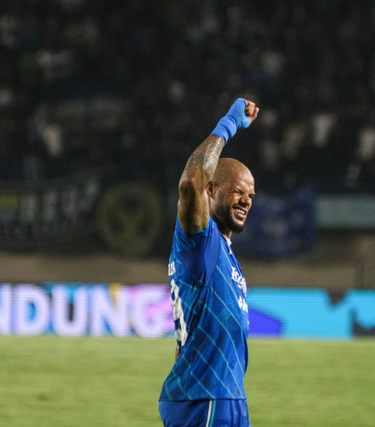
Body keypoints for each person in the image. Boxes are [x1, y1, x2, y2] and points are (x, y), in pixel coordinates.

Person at [159, 98, 259, 427]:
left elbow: (187, 342)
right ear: (212, 190)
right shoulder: (201, 242)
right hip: (207, 400)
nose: (246, 200)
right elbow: (190, 183)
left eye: (251, 195)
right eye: (238, 191)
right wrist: (228, 125)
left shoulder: (224, 253)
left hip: (223, 397)